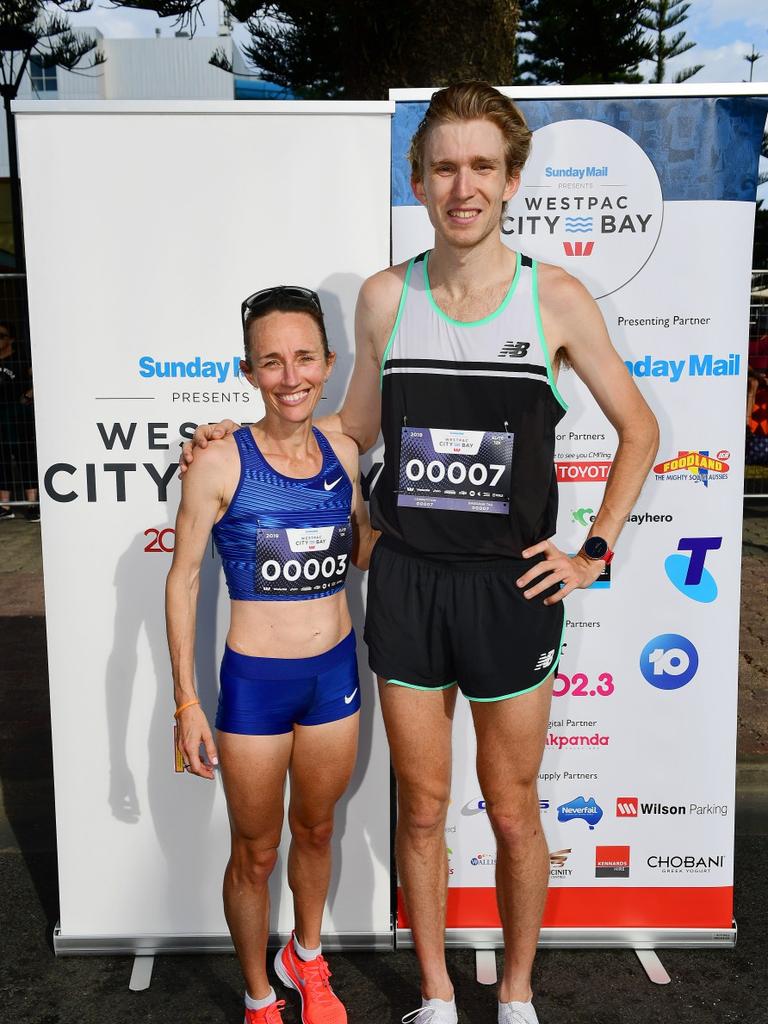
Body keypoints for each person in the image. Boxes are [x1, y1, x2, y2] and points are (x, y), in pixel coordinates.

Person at [181, 83, 659, 1024]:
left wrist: (593, 550)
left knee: (515, 810)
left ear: (512, 180)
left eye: (483, 166)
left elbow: (639, 429)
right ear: (419, 178)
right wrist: (237, 441)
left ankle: (516, 997)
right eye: (445, 166)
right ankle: (438, 995)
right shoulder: (386, 298)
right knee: (425, 808)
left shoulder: (553, 298)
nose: (463, 185)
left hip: (509, 590)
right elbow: (349, 429)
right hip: (404, 583)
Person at [166, 286, 377, 1024]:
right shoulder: (220, 460)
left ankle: (307, 960)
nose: (291, 376)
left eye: (305, 358)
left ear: (328, 361)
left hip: (334, 678)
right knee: (254, 854)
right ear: (249, 370)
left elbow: (362, 553)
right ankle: (260, 994)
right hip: (255, 687)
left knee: (316, 830)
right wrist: (186, 701)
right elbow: (184, 578)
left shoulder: (345, 453)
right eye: (272, 362)